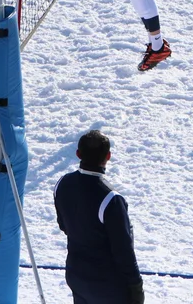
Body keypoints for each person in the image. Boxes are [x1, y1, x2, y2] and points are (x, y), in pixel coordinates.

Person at [53, 130, 145, 303]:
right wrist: (136, 286)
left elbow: (64, 225)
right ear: (108, 156)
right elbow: (123, 251)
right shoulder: (111, 199)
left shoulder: (62, 183)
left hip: (76, 276)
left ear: (78, 154)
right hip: (108, 285)